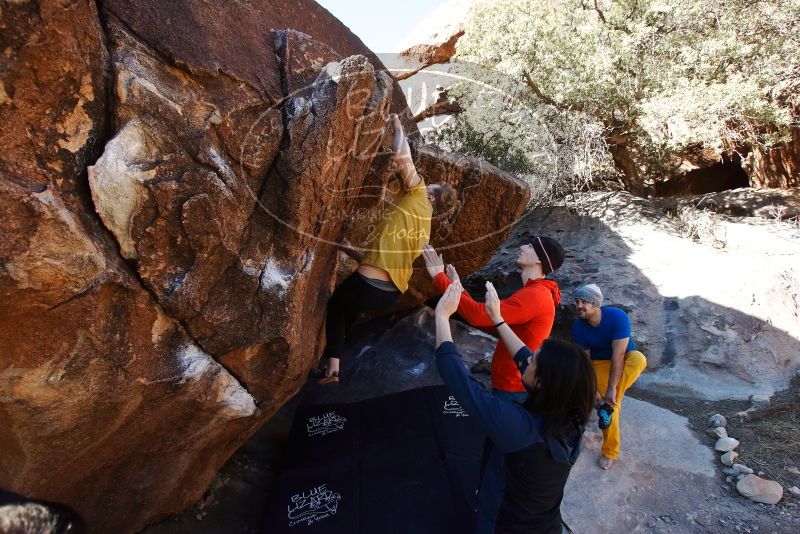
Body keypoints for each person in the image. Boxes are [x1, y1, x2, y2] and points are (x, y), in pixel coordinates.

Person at [434, 280, 595, 533]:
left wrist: (442, 317)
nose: (526, 359)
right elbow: (523, 358)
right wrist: (498, 319)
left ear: (543, 383)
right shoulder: (573, 415)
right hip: (546, 524)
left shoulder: (519, 429)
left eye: (534, 361)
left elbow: (460, 382)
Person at [318, 113, 458, 383]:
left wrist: (397, 125)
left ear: (431, 195)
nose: (422, 182)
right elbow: (383, 260)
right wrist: (347, 249)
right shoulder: (424, 230)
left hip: (370, 284)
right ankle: (332, 369)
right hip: (388, 294)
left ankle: (332, 367)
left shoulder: (418, 195)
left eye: (429, 184)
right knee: (349, 310)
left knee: (336, 306)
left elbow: (402, 156)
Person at [572, 283, 647, 470]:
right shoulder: (578, 327)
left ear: (596, 304)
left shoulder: (617, 317)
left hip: (624, 359)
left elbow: (619, 354)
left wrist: (612, 389)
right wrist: (595, 391)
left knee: (639, 359)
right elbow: (584, 362)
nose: (579, 305)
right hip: (599, 364)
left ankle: (609, 404)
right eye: (577, 301)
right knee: (607, 404)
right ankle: (611, 449)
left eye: (584, 301)